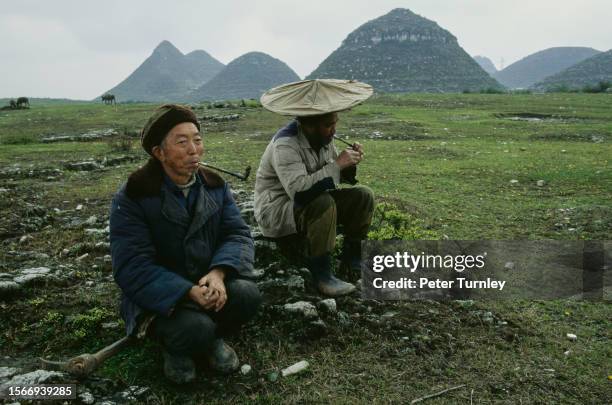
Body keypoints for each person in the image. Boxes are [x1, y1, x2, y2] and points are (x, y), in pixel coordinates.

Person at [109, 104, 261, 384]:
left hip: (207, 281)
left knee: (248, 296)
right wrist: (187, 291)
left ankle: (207, 336)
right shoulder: (134, 196)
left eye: (198, 140)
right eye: (182, 142)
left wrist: (218, 273)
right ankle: (184, 344)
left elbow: (237, 234)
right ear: (159, 153)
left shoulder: (215, 186)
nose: (194, 149)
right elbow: (132, 266)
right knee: (194, 327)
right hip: (162, 297)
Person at [254, 79, 375, 297]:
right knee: (322, 201)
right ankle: (323, 275)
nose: (334, 129)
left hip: (302, 206)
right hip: (278, 211)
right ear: (309, 124)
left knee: (363, 196)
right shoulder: (285, 145)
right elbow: (300, 193)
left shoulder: (323, 137)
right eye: (329, 124)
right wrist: (338, 165)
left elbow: (332, 175)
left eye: (334, 123)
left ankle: (352, 261)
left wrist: (349, 164)